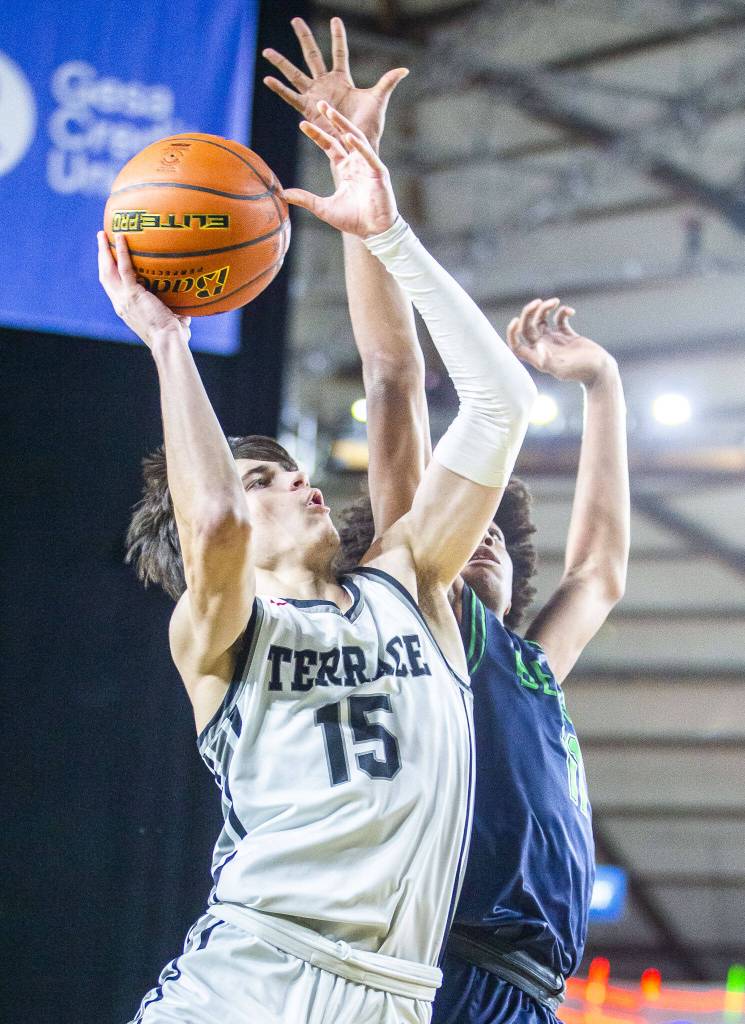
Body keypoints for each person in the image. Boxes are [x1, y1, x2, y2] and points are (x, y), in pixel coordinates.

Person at [98, 80, 536, 1024]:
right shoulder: (216, 636)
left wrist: (385, 233)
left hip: (396, 998)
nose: (297, 482)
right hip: (248, 979)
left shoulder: (410, 583)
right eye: (262, 481)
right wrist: (169, 344)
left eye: (291, 469)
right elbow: (209, 522)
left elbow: (501, 404)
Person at [264, 18, 630, 1024]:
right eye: (450, 526)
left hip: (530, 994)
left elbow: (598, 572)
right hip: (423, 970)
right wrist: (360, 182)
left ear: (516, 578)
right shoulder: (416, 615)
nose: (471, 541)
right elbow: (392, 379)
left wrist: (602, 386)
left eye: (495, 545)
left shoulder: (526, 665)